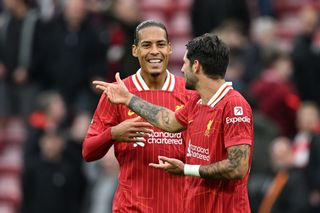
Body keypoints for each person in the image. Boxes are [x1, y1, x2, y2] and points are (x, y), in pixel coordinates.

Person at [94, 33, 254, 212]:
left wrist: (187, 169)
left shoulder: (234, 105)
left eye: (185, 63)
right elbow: (168, 121)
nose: (183, 69)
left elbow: (237, 167)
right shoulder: (197, 102)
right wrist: (128, 99)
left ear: (196, 66)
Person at [82, 20, 193, 212]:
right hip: (131, 207)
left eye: (160, 44)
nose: (154, 51)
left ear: (169, 48)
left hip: (179, 206)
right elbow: (88, 151)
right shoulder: (117, 93)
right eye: (146, 45)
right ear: (135, 50)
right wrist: (114, 133)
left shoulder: (189, 94)